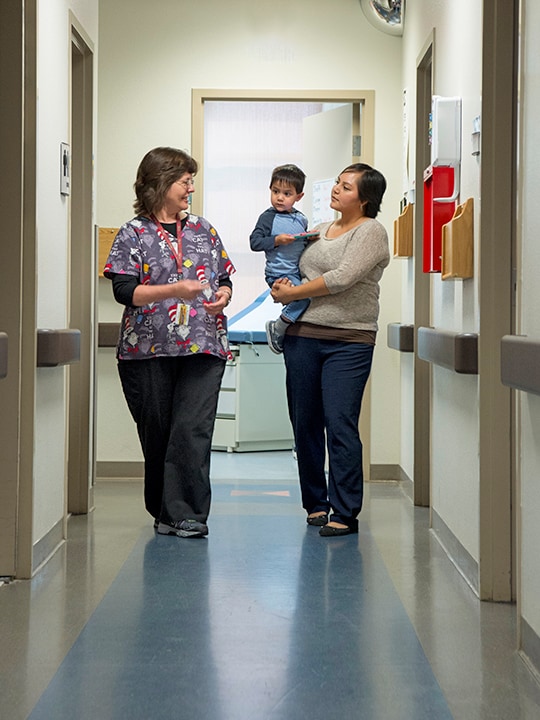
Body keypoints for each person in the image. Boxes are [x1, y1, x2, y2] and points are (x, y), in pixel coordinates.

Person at [103, 146, 235, 539]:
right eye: (185, 181)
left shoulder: (203, 230)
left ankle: (189, 514)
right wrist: (173, 289)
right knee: (158, 431)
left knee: (192, 429)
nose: (191, 188)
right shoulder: (133, 233)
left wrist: (224, 295)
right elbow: (124, 290)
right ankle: (164, 510)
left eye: (191, 180)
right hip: (147, 349)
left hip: (204, 345)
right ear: (161, 183)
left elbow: (224, 275)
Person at [271, 163, 389, 537]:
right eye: (337, 183)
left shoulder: (371, 231)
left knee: (340, 424)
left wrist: (293, 293)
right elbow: (299, 267)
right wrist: (282, 284)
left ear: (365, 198)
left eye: (347, 186)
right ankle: (316, 505)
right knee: (304, 424)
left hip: (349, 341)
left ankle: (345, 510)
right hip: (302, 337)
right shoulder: (320, 229)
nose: (336, 190)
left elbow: (341, 279)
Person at [249, 163, 318, 354]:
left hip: (296, 272)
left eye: (287, 194)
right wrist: (276, 240)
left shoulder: (301, 219)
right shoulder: (267, 218)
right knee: (303, 299)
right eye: (275, 191)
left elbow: (300, 246)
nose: (279, 197)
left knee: (307, 300)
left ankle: (286, 330)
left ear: (299, 196)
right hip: (277, 272)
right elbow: (254, 242)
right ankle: (277, 327)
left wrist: (308, 238)